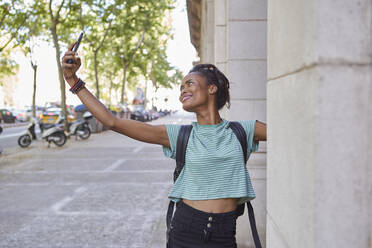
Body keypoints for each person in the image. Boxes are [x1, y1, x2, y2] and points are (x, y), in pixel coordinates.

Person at [62, 43, 267, 247]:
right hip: (186, 229)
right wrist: (74, 81)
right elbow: (112, 121)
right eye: (181, 87)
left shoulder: (244, 130)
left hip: (225, 232)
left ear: (212, 88)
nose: (183, 90)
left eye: (190, 83)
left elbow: (289, 130)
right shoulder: (179, 134)